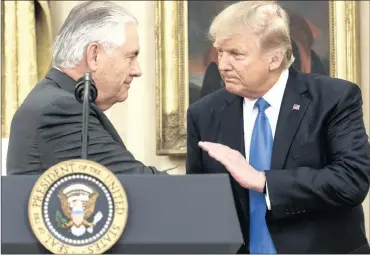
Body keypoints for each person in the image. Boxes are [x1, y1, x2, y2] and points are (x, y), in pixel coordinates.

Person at [186, 1, 370, 254]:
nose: (223, 64)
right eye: (220, 52)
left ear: (275, 58)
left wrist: (263, 181)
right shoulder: (203, 113)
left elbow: (351, 181)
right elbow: (200, 204)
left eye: (236, 54)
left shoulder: (333, 98)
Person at [7, 1, 161, 175]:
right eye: (130, 57)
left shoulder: (58, 99)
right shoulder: (59, 111)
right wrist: (196, 187)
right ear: (94, 56)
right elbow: (136, 182)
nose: (137, 71)